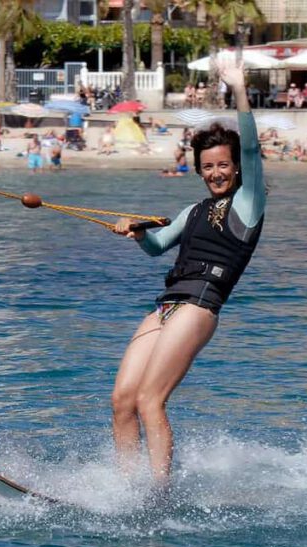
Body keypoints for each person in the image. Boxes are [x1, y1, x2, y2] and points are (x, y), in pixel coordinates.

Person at [108, 60, 264, 485]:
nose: (216, 173)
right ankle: (126, 488)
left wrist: (240, 89)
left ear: (236, 169)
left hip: (199, 305)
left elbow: (250, 147)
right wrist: (136, 231)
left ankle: (158, 496)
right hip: (167, 306)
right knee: (122, 399)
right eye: (208, 167)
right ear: (198, 169)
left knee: (149, 399)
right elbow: (158, 246)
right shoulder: (192, 211)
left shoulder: (248, 203)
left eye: (223, 165)